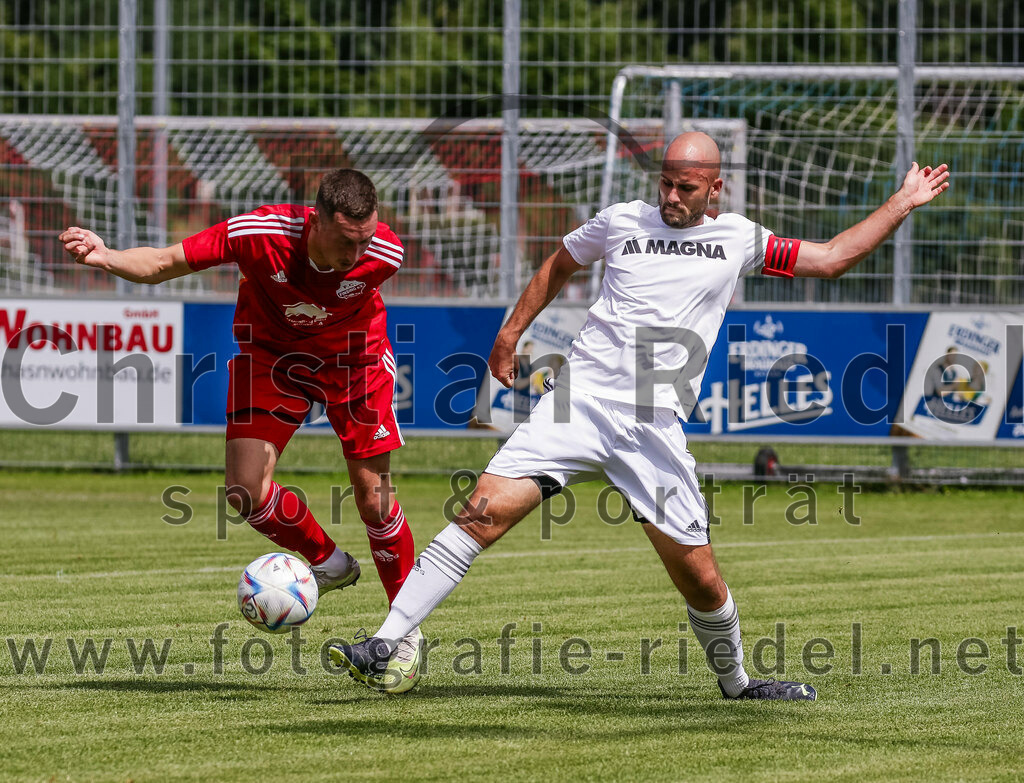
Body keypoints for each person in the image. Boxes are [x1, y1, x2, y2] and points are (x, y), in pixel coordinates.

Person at [331, 133, 949, 700]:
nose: (672, 196)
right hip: (577, 404)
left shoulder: (739, 238)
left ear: (715, 188)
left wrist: (902, 203)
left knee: (701, 581)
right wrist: (508, 335)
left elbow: (835, 256)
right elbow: (557, 264)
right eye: (666, 183)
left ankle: (736, 682)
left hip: (652, 426)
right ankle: (385, 642)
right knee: (481, 512)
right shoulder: (620, 220)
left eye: (686, 187)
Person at [59, 169, 423, 692]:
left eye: (363, 239)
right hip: (273, 360)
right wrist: (105, 256)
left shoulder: (384, 253)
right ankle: (330, 562)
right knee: (244, 490)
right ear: (315, 219)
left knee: (375, 500)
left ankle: (403, 633)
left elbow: (359, 278)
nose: (356, 253)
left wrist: (359, 259)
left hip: (354, 364)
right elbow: (164, 262)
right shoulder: (259, 233)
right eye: (346, 241)